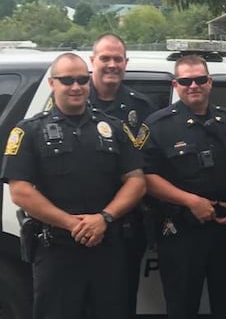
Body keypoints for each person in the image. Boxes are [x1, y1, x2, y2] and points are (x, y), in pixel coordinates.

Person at [1, 53, 146, 319]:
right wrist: (71, 224)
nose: (76, 87)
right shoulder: (30, 131)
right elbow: (20, 190)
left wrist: (104, 218)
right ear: (52, 83)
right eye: (67, 80)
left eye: (82, 79)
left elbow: (136, 181)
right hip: (56, 248)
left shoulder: (114, 128)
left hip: (108, 246)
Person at [139, 55, 226, 319]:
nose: (193, 85)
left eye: (200, 79)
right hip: (181, 232)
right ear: (175, 85)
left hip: (225, 229)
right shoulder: (158, 126)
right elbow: (144, 177)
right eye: (186, 81)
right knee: (182, 307)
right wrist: (190, 201)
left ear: (210, 82)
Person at [89, 33, 156, 318]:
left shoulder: (142, 107)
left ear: (126, 63)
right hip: (78, 221)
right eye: (105, 58)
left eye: (118, 59)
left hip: (126, 224)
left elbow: (153, 162)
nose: (112, 64)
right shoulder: (71, 98)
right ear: (92, 61)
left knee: (121, 301)